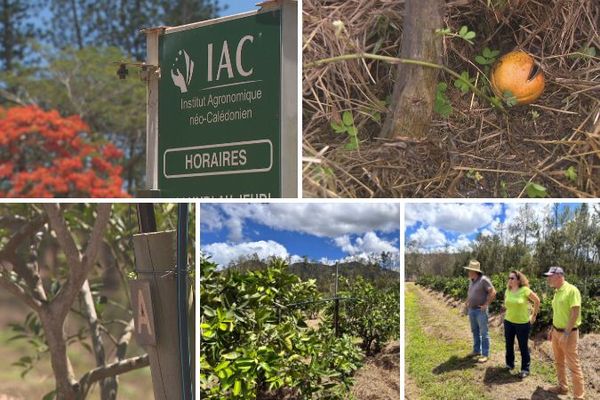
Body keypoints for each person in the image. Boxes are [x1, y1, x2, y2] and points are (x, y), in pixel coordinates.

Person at [544, 266, 585, 399]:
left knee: (573, 366)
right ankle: (562, 387)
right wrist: (552, 329)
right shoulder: (557, 291)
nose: (548, 278)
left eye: (551, 276)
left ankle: (579, 396)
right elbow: (558, 313)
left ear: (559, 276)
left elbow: (575, 313)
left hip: (569, 334)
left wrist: (566, 334)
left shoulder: (572, 290)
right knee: (559, 361)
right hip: (556, 332)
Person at [503, 270, 540, 379]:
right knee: (508, 344)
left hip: (522, 324)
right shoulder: (507, 290)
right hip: (508, 321)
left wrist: (533, 316)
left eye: (512, 278)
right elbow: (506, 303)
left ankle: (525, 369)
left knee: (523, 346)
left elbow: (537, 301)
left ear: (519, 280)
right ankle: (509, 364)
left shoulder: (525, 290)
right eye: (509, 278)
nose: (510, 280)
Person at [464, 260, 496, 363]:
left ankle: (485, 354)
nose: (468, 272)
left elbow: (493, 292)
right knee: (475, 331)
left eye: (469, 270)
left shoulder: (483, 280)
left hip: (480, 311)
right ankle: (476, 350)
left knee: (483, 333)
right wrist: (467, 302)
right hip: (472, 310)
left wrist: (486, 304)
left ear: (475, 271)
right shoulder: (471, 280)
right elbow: (470, 293)